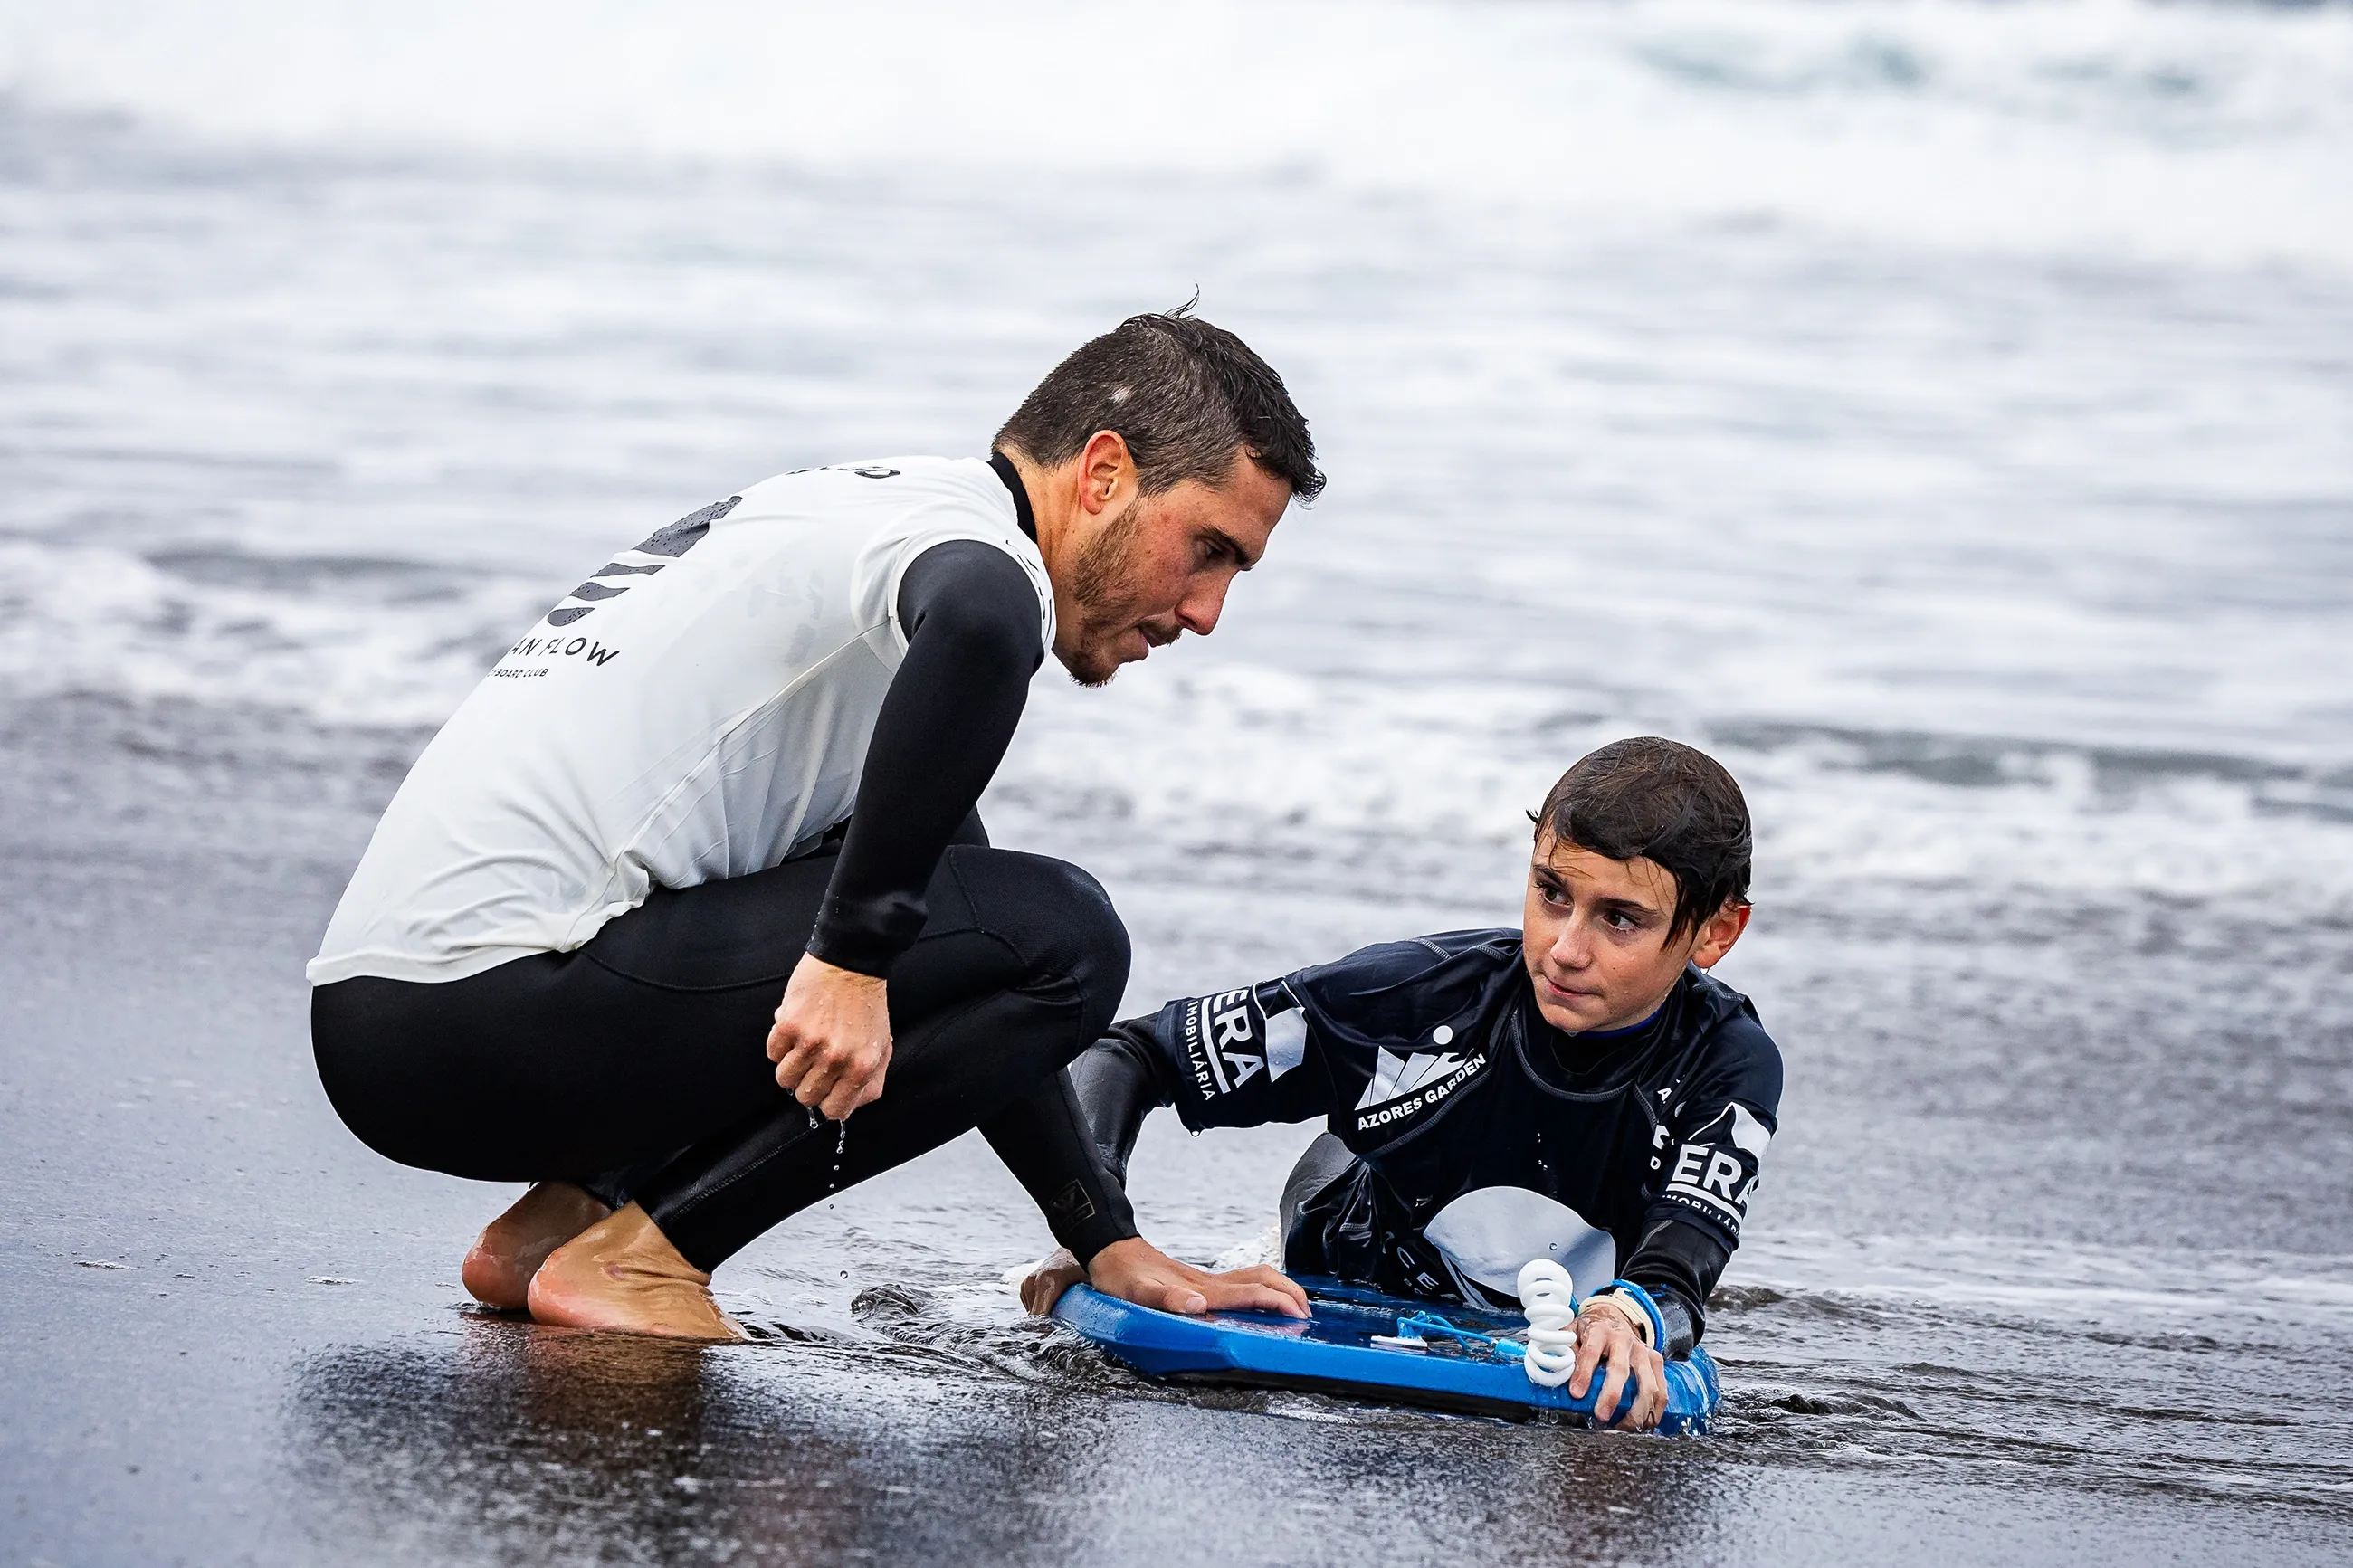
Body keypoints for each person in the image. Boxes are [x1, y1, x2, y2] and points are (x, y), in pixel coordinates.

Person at [308, 308, 1320, 1340]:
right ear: (1102, 473)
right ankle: (646, 1260)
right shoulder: (980, 562)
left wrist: (1100, 1231)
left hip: (384, 1023)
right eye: (1208, 549)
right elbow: (978, 623)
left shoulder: (858, 517)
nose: (1205, 612)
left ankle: (569, 1214)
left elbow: (951, 904)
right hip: (483, 1015)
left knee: (960, 901)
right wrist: (848, 958)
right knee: (1068, 933)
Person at [1020, 737, 1782, 1430]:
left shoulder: (1726, 1064)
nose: (1564, 948)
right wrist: (1095, 1227)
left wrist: (1628, 1317)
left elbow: (1682, 1265)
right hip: (1340, 1257)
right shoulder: (1412, 999)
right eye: (1552, 892)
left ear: (1716, 931)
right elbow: (1133, 1053)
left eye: (1620, 919)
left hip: (1547, 1311)